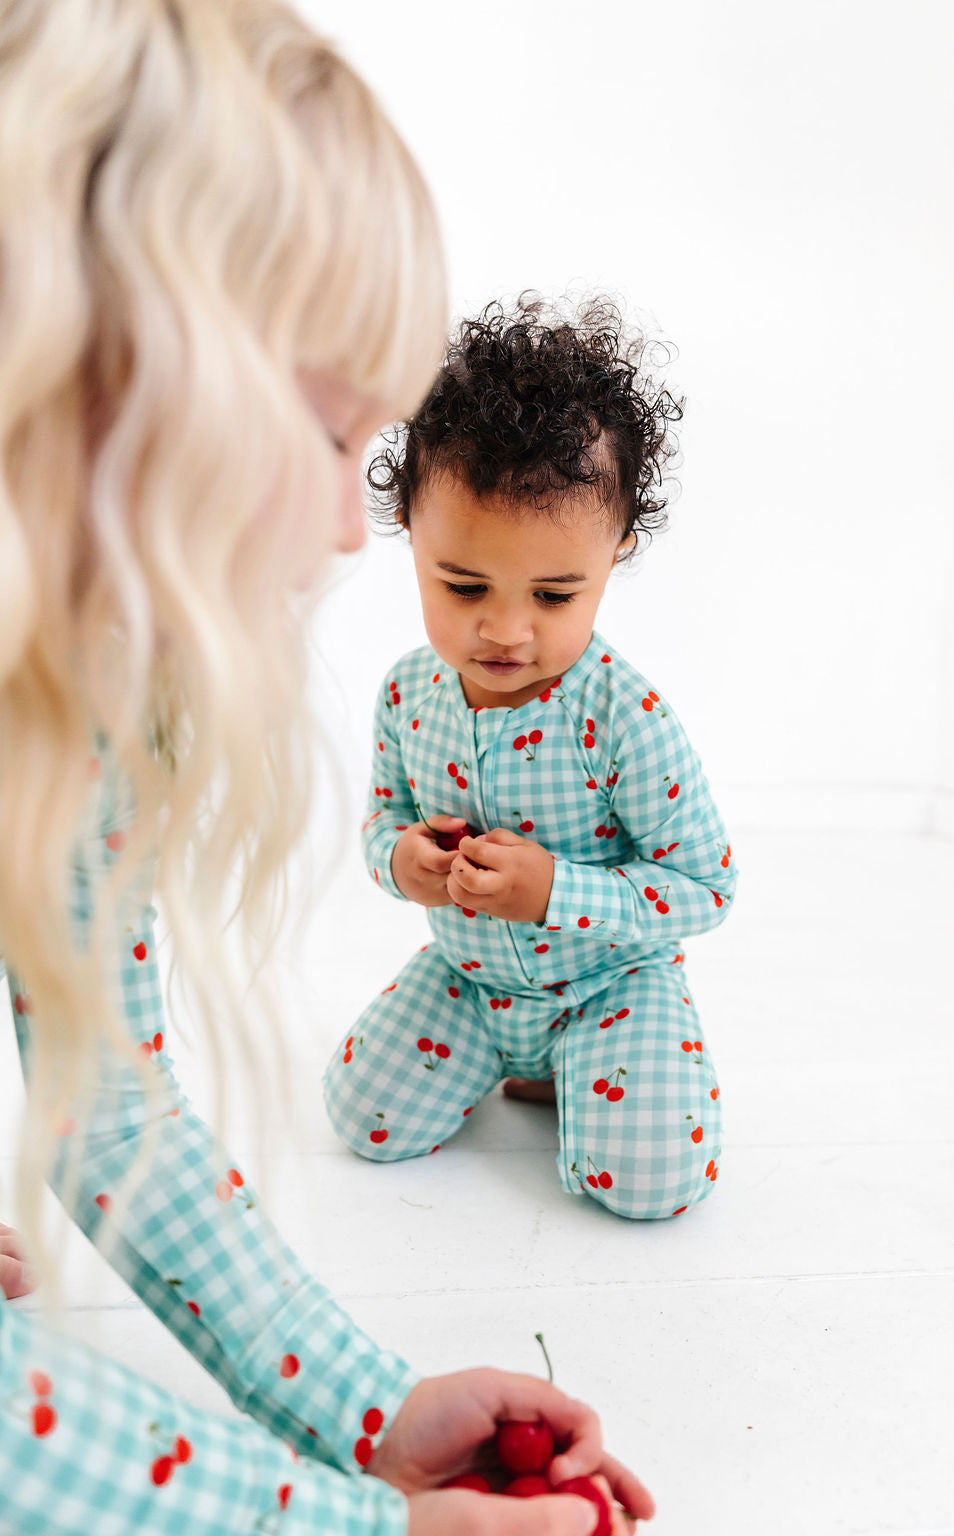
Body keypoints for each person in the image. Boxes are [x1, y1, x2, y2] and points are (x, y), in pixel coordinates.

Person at [0, 4, 653, 1532]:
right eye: (320, 426)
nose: (346, 537)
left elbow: (109, 1102)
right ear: (95, 362)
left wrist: (365, 1412)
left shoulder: (72, 708)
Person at [324, 298, 737, 1221]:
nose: (505, 630)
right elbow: (381, 823)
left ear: (616, 551)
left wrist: (556, 891)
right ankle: (512, 1065)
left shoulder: (622, 716)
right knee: (363, 1120)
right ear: (409, 534)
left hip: (609, 986)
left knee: (652, 1185)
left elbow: (707, 886)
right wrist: (405, 862)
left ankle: (591, 1066)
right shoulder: (405, 695)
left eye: (556, 594)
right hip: (471, 982)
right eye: (464, 584)